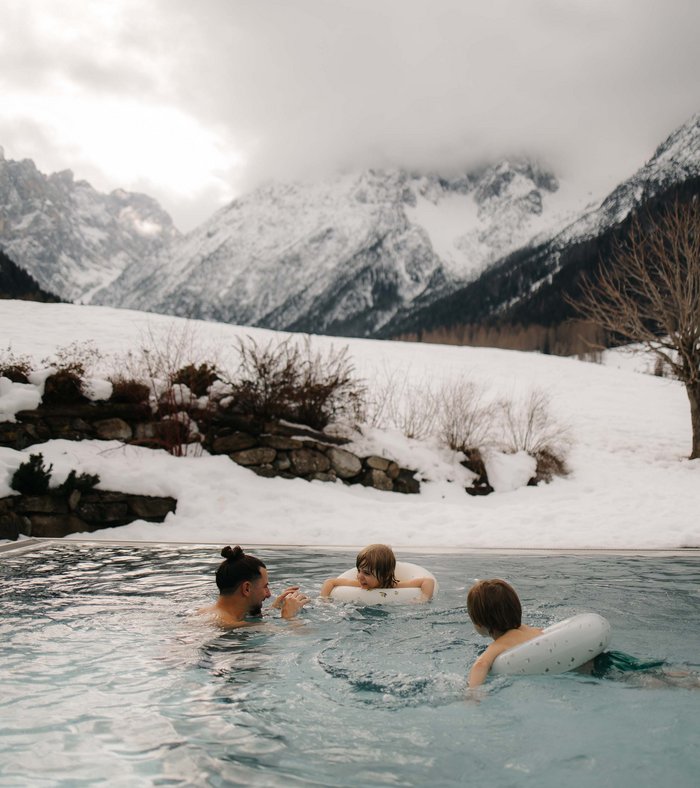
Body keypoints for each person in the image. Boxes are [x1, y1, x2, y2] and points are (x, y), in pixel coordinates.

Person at [198, 545, 309, 627]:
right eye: (265, 587)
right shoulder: (230, 625)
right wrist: (290, 618)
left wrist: (273, 609)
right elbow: (301, 638)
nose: (268, 594)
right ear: (246, 588)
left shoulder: (203, 613)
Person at [466, 578, 543, 688]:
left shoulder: (500, 645)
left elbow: (481, 664)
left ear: (478, 623)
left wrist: (472, 693)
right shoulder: (532, 630)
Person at [319, 543, 435, 600]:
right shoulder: (357, 584)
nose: (359, 576)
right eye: (359, 570)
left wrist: (424, 598)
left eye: (367, 573)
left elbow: (428, 581)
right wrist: (324, 600)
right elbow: (330, 582)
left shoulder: (393, 586)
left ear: (384, 575)